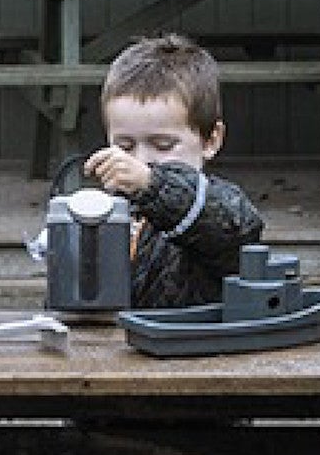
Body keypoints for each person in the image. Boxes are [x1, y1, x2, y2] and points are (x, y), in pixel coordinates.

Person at [81, 32, 264, 308]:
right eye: (125, 146)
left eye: (163, 146)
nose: (141, 160)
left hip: (197, 345)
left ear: (211, 140)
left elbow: (236, 227)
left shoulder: (217, 206)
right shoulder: (115, 215)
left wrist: (152, 184)